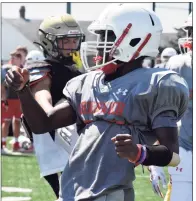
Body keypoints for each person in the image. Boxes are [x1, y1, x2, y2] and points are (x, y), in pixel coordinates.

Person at [5, 4, 189, 201]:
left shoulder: (156, 84)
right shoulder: (87, 82)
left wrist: (139, 153)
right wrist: (23, 90)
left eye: (107, 36)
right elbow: (43, 124)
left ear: (135, 40)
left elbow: (172, 154)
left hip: (111, 193)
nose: (100, 42)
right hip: (70, 192)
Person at [19, 14, 84, 199]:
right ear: (49, 42)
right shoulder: (43, 68)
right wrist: (50, 112)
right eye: (66, 41)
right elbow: (42, 94)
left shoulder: (73, 67)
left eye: (74, 40)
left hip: (73, 137)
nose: (72, 45)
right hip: (56, 140)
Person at [148, 12, 192, 201]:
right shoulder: (178, 65)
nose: (190, 36)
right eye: (190, 31)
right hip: (186, 151)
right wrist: (156, 161)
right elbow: (162, 113)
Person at [1, 53, 24, 152]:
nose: (12, 60)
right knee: (6, 121)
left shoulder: (24, 70)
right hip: (9, 99)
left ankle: (16, 143)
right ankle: (3, 143)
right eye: (11, 58)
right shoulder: (7, 69)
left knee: (18, 121)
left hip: (20, 100)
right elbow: (3, 86)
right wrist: (4, 99)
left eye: (14, 58)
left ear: (19, 59)